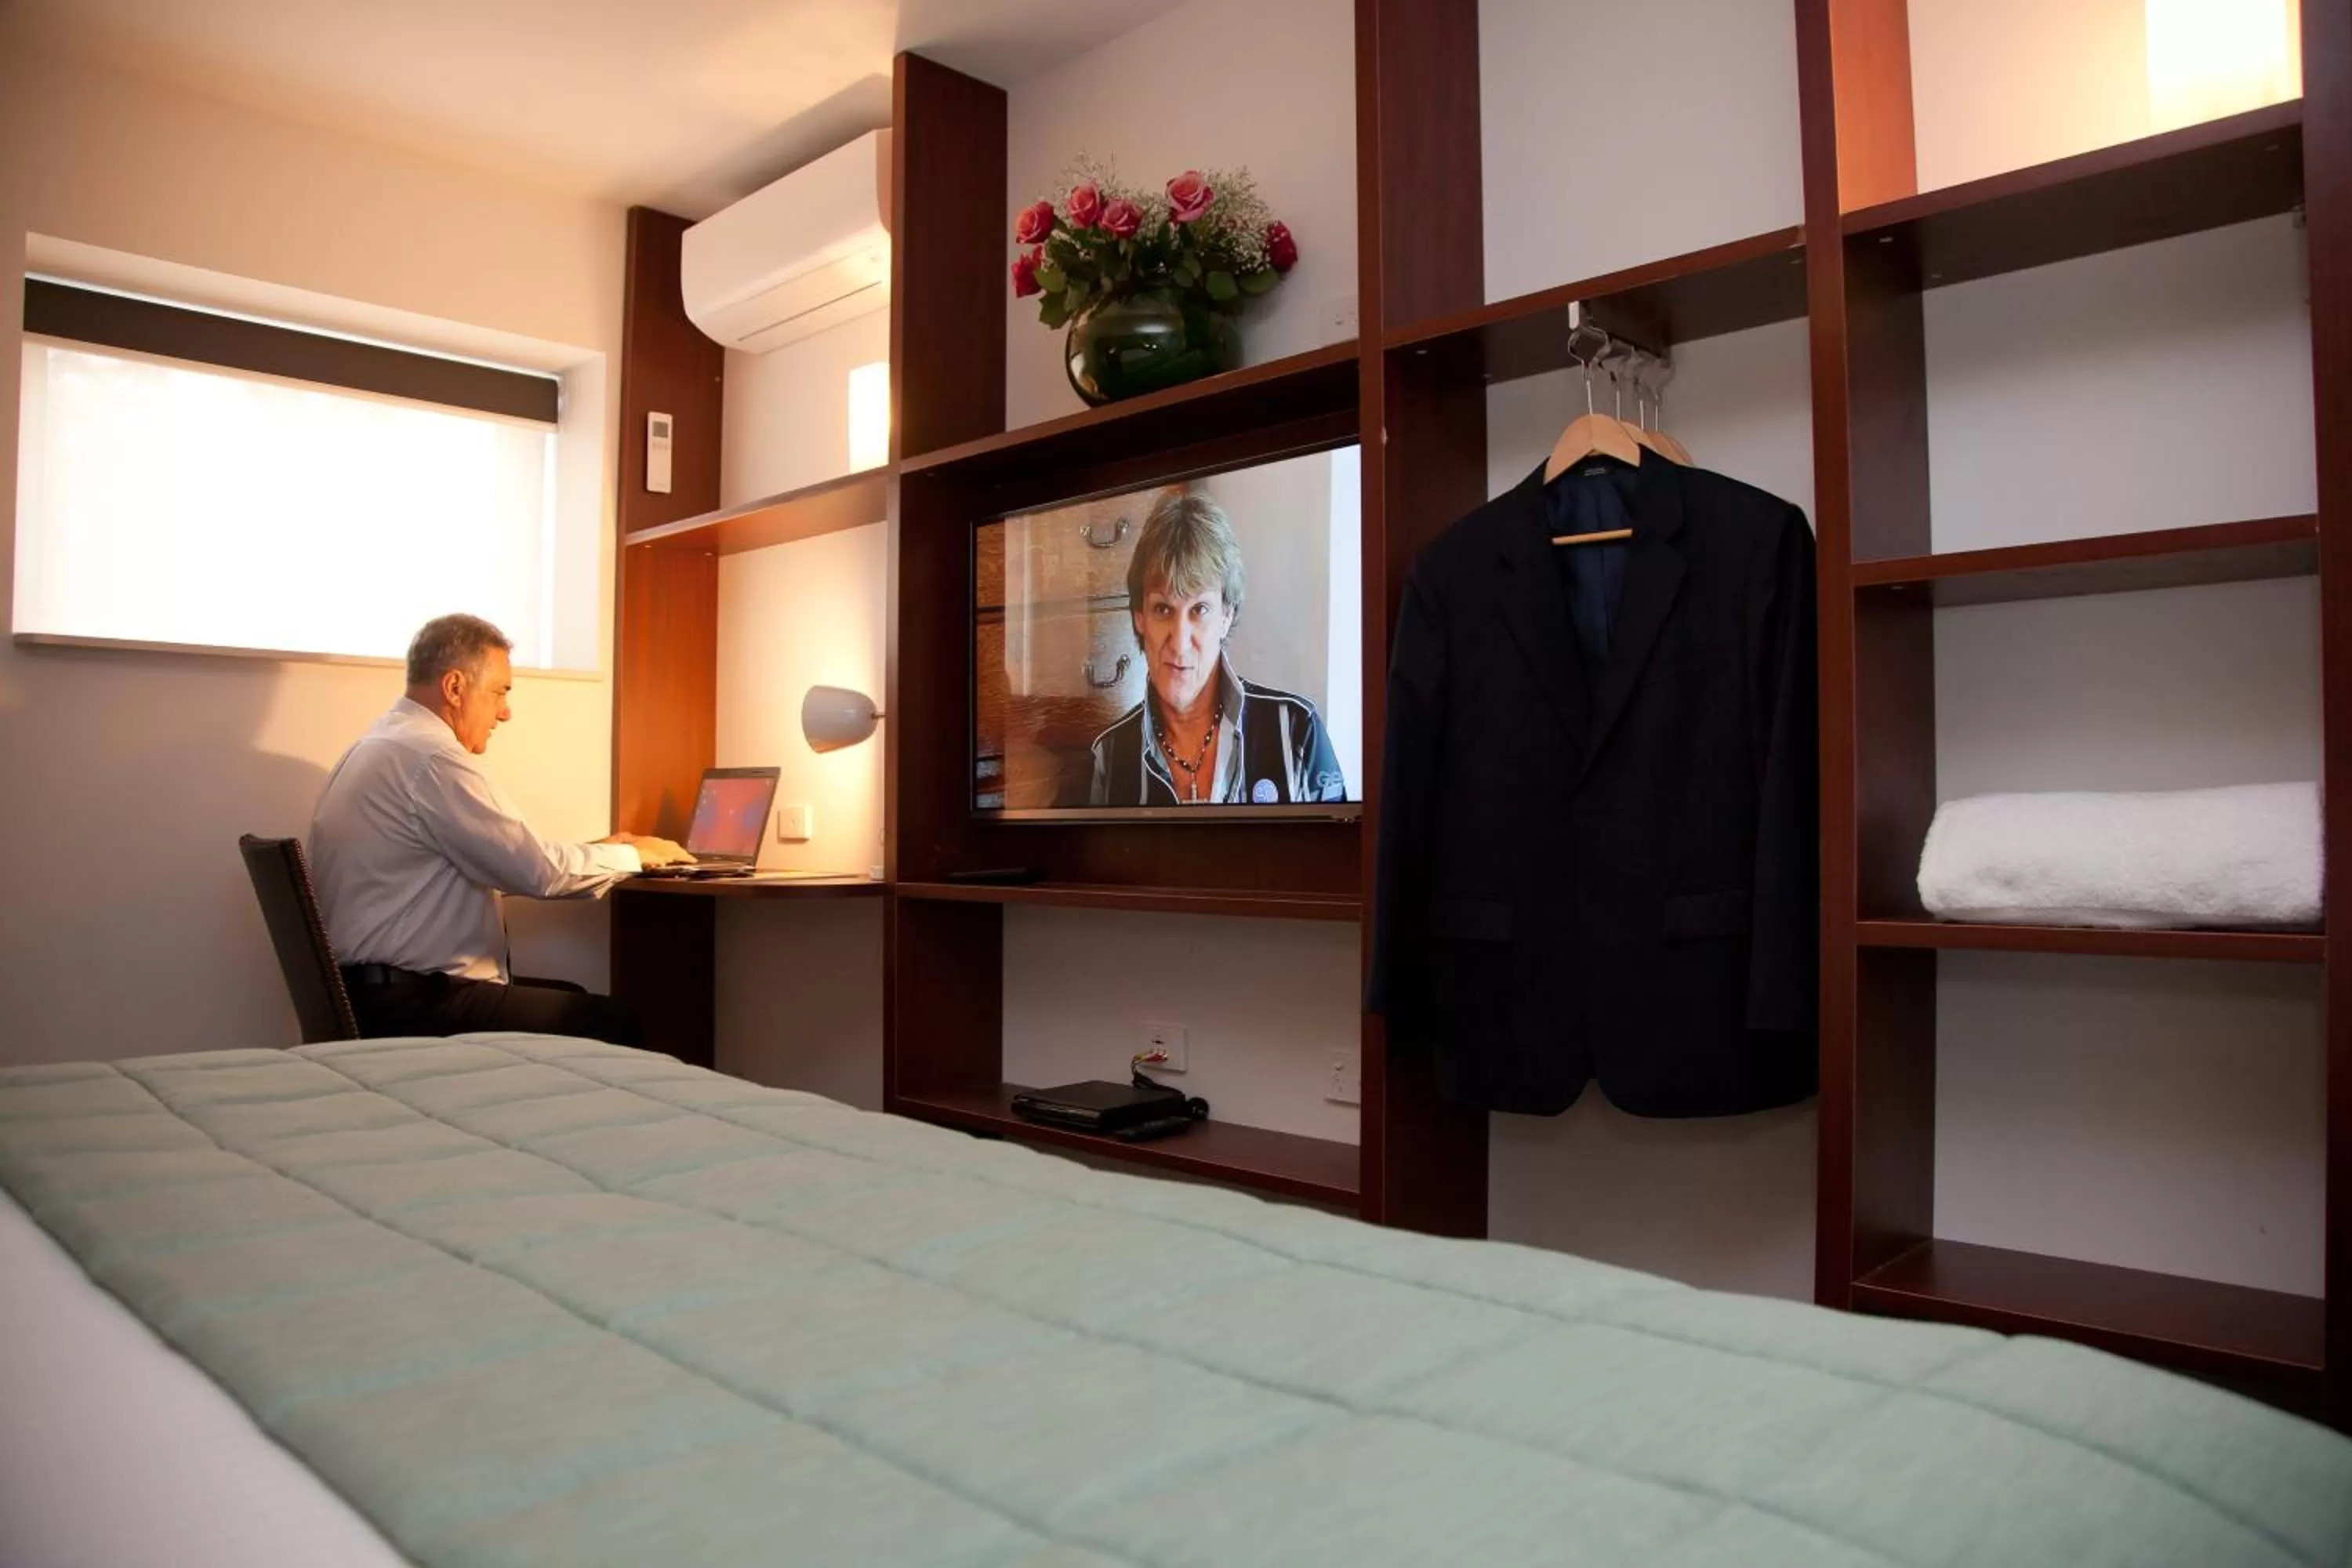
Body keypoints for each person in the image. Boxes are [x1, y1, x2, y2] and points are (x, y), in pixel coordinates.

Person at [309, 613, 692, 1044]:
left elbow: (500, 861)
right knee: (607, 1021)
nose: (505, 713)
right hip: (413, 1004)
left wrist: (603, 850)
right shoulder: (432, 758)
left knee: (574, 1002)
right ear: (455, 688)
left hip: (371, 994)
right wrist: (634, 856)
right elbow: (537, 872)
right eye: (499, 693)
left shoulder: (377, 747)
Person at [1087, 492, 1345, 807]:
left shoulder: (1298, 733)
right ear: (1139, 617)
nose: (1180, 643)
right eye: (1163, 609)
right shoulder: (1109, 757)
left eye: (1200, 610)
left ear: (1227, 615)